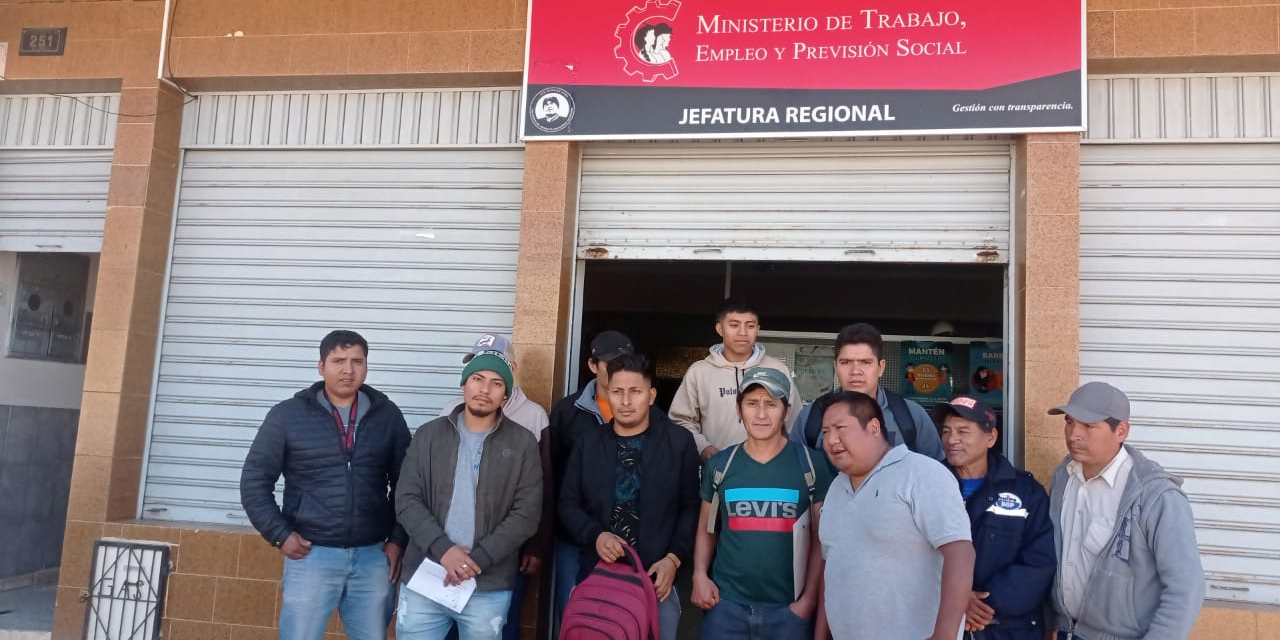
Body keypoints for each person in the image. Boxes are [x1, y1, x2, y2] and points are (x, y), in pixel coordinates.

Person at [240, 330, 411, 640]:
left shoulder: (387, 415)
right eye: (338, 361)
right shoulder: (287, 416)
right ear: (321, 366)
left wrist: (397, 540)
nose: (348, 370)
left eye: (357, 361)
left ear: (366, 366)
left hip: (373, 557)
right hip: (310, 555)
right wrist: (279, 534)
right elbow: (254, 481)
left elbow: (408, 485)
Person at [395, 350, 542, 640]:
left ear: (506, 395)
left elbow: (526, 514)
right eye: (477, 378)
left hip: (487, 584)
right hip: (426, 576)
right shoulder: (428, 435)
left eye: (496, 383)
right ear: (464, 385)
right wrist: (444, 551)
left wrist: (477, 560)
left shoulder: (522, 443)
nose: (485, 389)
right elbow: (406, 500)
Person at [559, 353, 700, 640]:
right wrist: (596, 535)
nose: (625, 401)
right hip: (596, 576)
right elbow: (567, 504)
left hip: (657, 579)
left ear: (650, 395)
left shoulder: (678, 442)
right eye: (617, 392)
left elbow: (690, 508)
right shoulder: (589, 443)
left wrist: (673, 559)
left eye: (634, 392)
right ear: (607, 393)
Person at [1047, 382, 1205, 640]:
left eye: (1088, 425)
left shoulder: (1156, 496)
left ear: (1121, 431)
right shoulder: (1065, 477)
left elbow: (1186, 587)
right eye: (1069, 422)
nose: (1073, 434)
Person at [816, 391, 974, 640]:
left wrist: (944, 635)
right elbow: (832, 567)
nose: (831, 440)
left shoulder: (922, 474)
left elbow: (960, 553)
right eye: (825, 432)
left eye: (840, 428)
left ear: (874, 427)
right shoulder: (836, 488)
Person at [692, 367, 832, 640]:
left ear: (786, 410)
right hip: (726, 606)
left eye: (771, 404)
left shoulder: (811, 465)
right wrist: (699, 575)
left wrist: (807, 602)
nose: (761, 414)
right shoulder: (721, 465)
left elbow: (821, 540)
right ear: (738, 408)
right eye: (752, 403)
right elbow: (707, 528)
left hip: (788, 612)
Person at [439, 334, 551, 640]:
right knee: (447, 626)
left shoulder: (533, 416)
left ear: (511, 369)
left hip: (504, 552)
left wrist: (536, 546)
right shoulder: (451, 410)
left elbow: (542, 491)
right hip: (449, 548)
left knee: (501, 626)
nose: (484, 383)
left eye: (494, 370)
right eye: (475, 367)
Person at [936, 396, 1054, 640]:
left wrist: (980, 605)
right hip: (940, 623)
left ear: (990, 438)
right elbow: (908, 553)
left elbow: (1040, 561)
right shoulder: (925, 486)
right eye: (946, 431)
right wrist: (958, 598)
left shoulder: (1027, 492)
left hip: (1006, 628)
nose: (951, 439)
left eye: (963, 431)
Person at [546, 330, 635, 629]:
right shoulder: (567, 413)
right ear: (592, 365)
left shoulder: (647, 414)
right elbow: (550, 475)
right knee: (575, 618)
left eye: (625, 361)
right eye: (611, 362)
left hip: (630, 541)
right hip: (576, 537)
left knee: (622, 623)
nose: (619, 368)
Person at [670, 297, 801, 462]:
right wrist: (704, 448)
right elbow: (680, 421)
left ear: (758, 329)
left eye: (750, 326)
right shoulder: (700, 371)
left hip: (771, 466)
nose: (743, 332)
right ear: (719, 328)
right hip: (718, 468)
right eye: (734, 325)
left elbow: (796, 421)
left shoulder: (776, 369)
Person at [790, 322, 945, 461]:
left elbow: (936, 476)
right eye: (846, 362)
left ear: (881, 367)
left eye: (865, 362)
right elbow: (796, 474)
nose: (855, 371)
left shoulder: (911, 416)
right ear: (836, 367)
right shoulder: (811, 418)